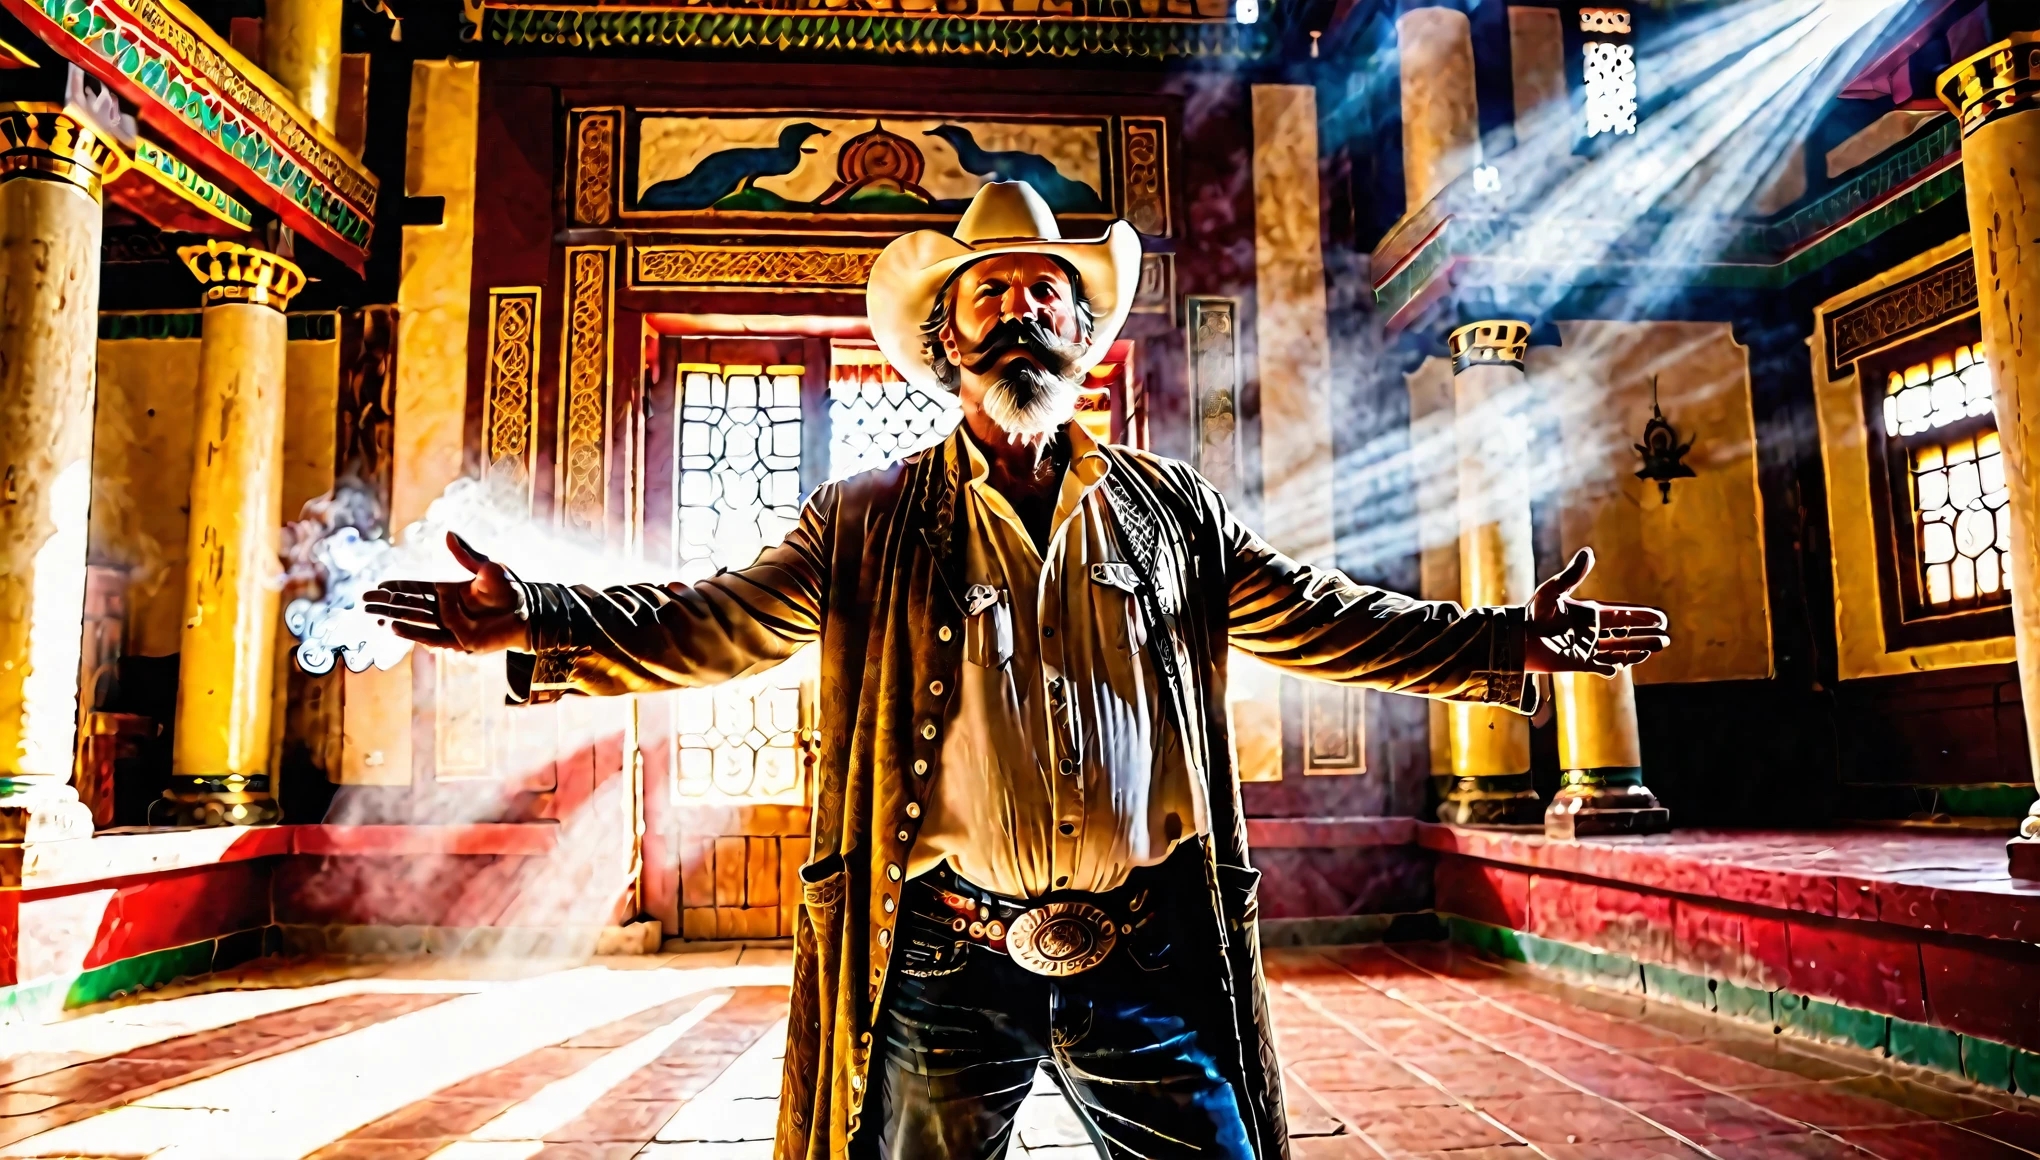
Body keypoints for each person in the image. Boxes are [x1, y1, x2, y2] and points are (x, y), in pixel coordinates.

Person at [365, 181, 1669, 1160]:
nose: (1023, 310)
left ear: (1085, 330)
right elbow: (714, 620)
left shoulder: (1173, 513)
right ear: (945, 337)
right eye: (991, 292)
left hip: (1148, 955)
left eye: (1047, 291)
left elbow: (1332, 618)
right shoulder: (864, 519)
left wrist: (1505, 639)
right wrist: (536, 617)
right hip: (943, 960)